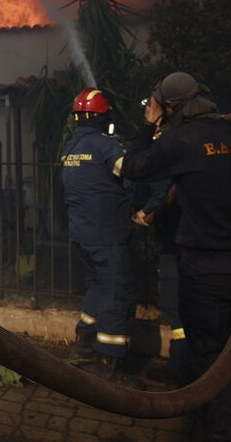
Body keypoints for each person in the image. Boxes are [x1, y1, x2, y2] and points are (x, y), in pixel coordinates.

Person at [121, 72, 231, 441]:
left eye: (156, 105)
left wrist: (147, 126)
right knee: (226, 350)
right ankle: (214, 420)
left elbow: (134, 166)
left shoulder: (183, 140)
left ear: (169, 106)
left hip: (205, 266)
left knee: (208, 356)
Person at [59, 87, 141, 388]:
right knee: (115, 293)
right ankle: (108, 365)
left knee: (96, 285)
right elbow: (132, 173)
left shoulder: (70, 148)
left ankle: (83, 342)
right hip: (108, 233)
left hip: (82, 234)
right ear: (103, 117)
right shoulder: (107, 147)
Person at [132, 180, 193, 386]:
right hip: (196, 240)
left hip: (176, 241)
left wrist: (147, 211)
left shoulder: (172, 155)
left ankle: (181, 367)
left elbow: (163, 188)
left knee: (174, 306)